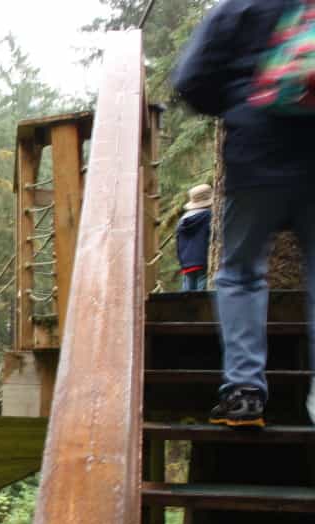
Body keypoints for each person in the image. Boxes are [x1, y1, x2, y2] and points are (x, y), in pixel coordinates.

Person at [174, 0, 315, 428]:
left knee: (239, 273)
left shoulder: (238, 8)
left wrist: (238, 102)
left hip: (255, 157)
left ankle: (244, 393)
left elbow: (191, 80)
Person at [175, 184, 213, 291]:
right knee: (201, 298)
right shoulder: (209, 216)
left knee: (187, 298)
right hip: (203, 263)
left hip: (186, 265)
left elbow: (178, 244)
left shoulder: (182, 221)